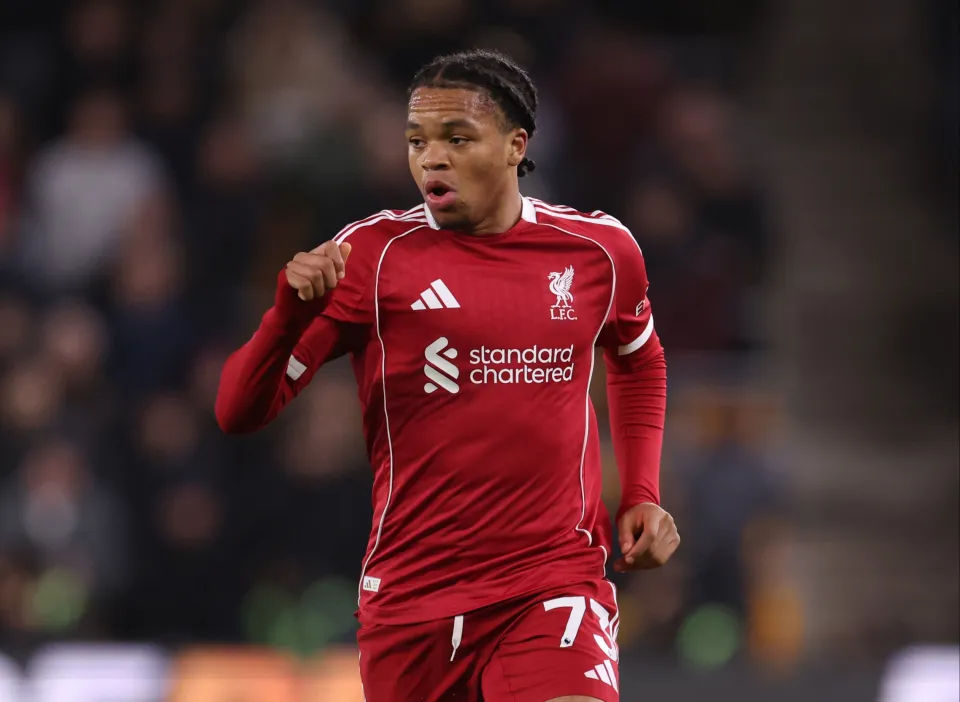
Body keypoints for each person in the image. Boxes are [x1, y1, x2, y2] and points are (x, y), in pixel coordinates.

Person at [216, 49, 678, 702]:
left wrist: (640, 491)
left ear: (517, 145)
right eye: (417, 141)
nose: (431, 157)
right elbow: (239, 411)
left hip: (550, 581)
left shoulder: (598, 251)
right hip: (413, 599)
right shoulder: (371, 260)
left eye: (457, 138)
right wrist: (287, 317)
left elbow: (637, 357)